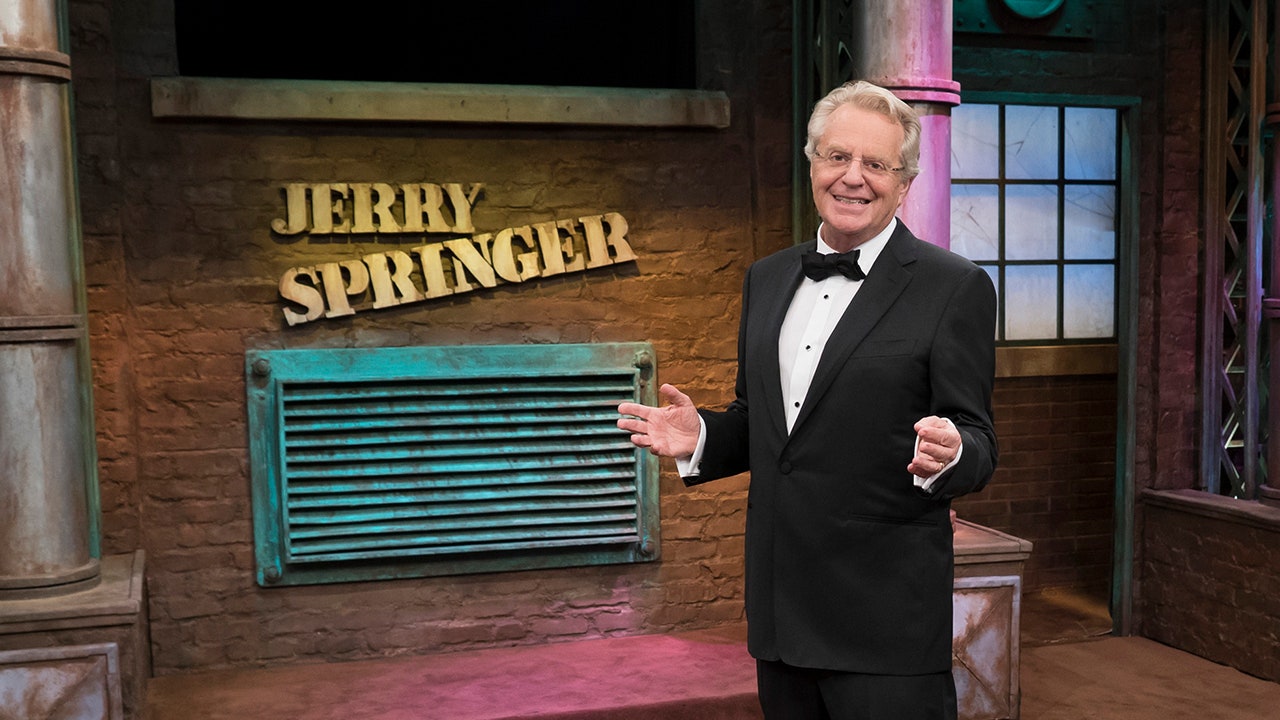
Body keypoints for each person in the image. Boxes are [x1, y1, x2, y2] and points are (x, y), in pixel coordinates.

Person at [616, 80, 997, 720]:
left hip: (886, 620)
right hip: (783, 611)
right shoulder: (766, 278)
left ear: (905, 183)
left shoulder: (954, 286)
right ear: (813, 164)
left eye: (876, 164)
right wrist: (704, 436)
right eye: (837, 156)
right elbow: (771, 427)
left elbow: (978, 440)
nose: (853, 177)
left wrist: (954, 452)